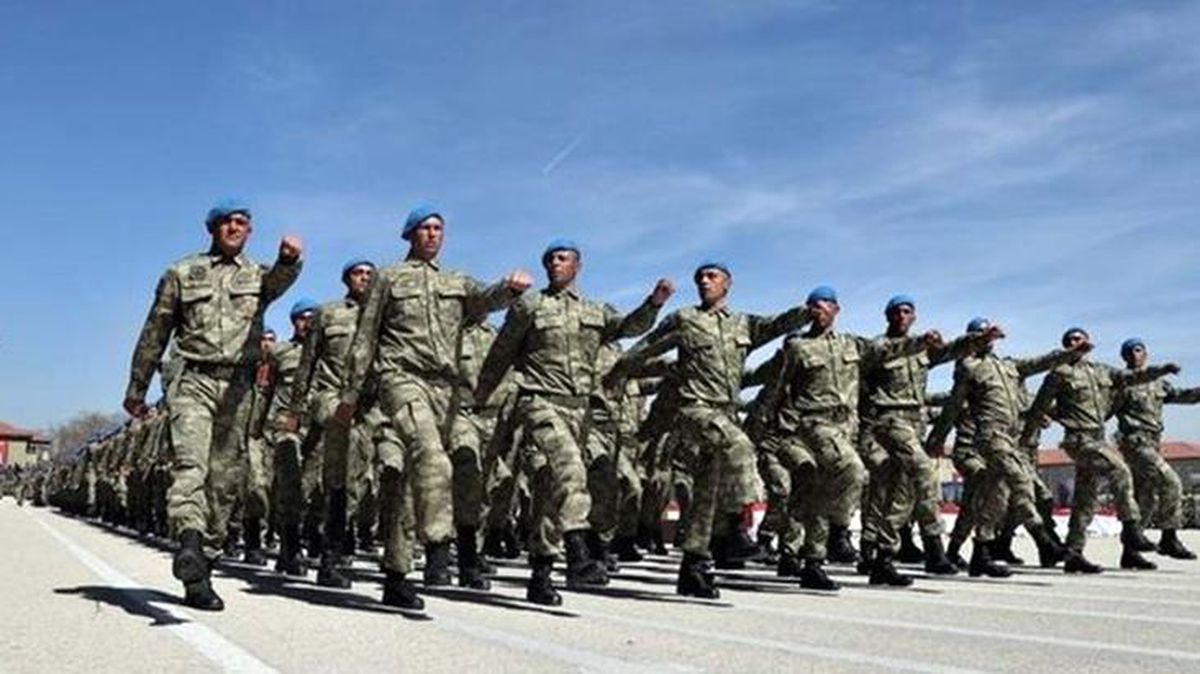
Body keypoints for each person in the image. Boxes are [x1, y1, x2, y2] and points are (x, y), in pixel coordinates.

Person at [337, 205, 531, 609]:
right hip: (401, 377)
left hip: (445, 389)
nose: (432, 234)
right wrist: (351, 395)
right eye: (424, 228)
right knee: (431, 458)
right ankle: (441, 545)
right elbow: (365, 337)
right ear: (409, 235)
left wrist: (509, 289)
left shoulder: (456, 280)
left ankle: (396, 575)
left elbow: (484, 299)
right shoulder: (388, 278)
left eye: (438, 228)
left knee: (410, 485)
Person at [123, 198, 303, 610]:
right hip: (194, 381)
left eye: (242, 223)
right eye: (227, 222)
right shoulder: (182, 273)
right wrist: (138, 387)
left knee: (226, 483)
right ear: (212, 228)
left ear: (250, 231)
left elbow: (278, 282)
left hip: (239, 390)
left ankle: (202, 563)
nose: (235, 228)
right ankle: (188, 539)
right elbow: (156, 331)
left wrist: (289, 260)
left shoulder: (258, 276)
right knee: (192, 466)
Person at [474, 238, 672, 605]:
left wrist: (654, 303)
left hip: (579, 410)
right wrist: (480, 400)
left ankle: (541, 573)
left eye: (562, 259)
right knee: (570, 471)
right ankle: (579, 554)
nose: (554, 264)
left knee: (553, 491)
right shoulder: (529, 307)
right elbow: (499, 356)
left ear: (577, 266)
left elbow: (630, 327)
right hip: (539, 402)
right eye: (549, 259)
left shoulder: (596, 311)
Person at [606, 261, 812, 599]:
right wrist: (618, 373)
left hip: (725, 414)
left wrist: (804, 314)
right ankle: (736, 530)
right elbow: (647, 346)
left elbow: (776, 325)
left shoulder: (743, 324)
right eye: (700, 278)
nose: (704, 281)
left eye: (711, 277)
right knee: (741, 446)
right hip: (694, 410)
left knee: (707, 495)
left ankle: (694, 570)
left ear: (727, 285)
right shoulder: (686, 319)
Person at [1024, 327, 1180, 572]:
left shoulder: (1102, 372)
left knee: (1086, 500)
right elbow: (1038, 408)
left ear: (1088, 342)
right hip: (1079, 440)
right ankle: (1131, 530)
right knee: (1120, 471)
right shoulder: (1059, 374)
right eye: (1070, 341)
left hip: (1098, 439)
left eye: (1079, 338)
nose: (1075, 343)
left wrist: (1162, 370)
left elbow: (1131, 378)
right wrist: (1029, 435)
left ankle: (1074, 553)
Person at [1112, 338, 1200, 560]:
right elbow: (1102, 409)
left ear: (1146, 353)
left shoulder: (1159, 383)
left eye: (1138, 350)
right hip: (1135, 443)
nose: (1134, 354)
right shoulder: (1122, 383)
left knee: (1146, 497)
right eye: (1129, 352)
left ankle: (1130, 552)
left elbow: (1181, 396)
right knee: (1171, 481)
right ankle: (1169, 538)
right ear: (1124, 357)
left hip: (1154, 443)